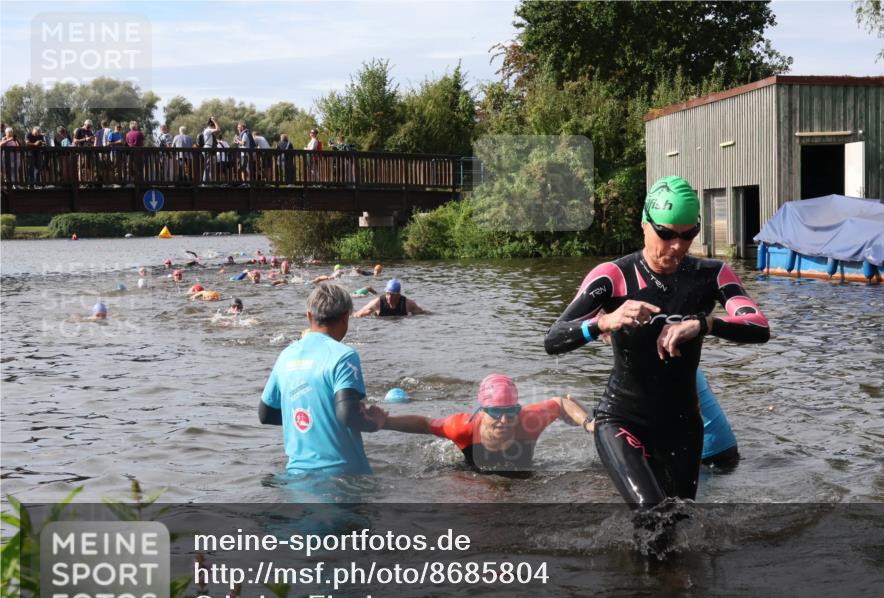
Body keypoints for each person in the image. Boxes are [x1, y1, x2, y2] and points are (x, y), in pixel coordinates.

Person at [544, 176, 769, 508]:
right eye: (666, 234)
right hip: (622, 419)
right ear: (645, 225)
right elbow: (554, 338)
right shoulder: (613, 276)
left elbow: (758, 326)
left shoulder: (712, 274)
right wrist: (604, 321)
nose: (677, 246)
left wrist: (705, 323)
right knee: (651, 513)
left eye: (688, 235)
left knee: (677, 524)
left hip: (682, 427)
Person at [259, 283, 386, 474]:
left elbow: (265, 415)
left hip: (296, 477)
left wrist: (312, 417)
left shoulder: (286, 355)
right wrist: (374, 423)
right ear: (345, 317)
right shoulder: (344, 356)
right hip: (343, 477)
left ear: (309, 316)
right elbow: (347, 414)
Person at [379, 374, 593, 474]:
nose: (504, 420)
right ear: (482, 411)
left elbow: (560, 403)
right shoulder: (462, 427)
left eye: (510, 412)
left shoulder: (528, 420)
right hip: (472, 470)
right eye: (496, 412)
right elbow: (425, 424)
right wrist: (385, 422)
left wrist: (588, 422)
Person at [353, 278, 427, 317]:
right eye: (387, 294)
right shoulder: (377, 303)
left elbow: (422, 314)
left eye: (393, 295)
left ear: (398, 294)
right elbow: (357, 315)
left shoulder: (408, 304)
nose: (389, 297)